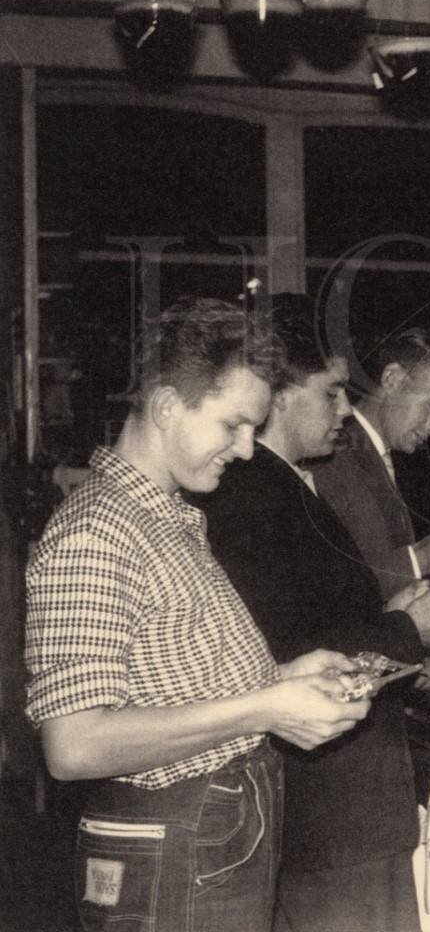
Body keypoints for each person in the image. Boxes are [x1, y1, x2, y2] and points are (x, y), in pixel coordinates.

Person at [23, 297, 371, 932]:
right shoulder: (96, 532)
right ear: (165, 407)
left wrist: (281, 678)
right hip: (171, 845)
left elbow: (169, 678)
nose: (246, 450)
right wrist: (265, 708)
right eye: (232, 425)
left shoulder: (164, 516)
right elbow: (73, 745)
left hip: (204, 838)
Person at [196, 295, 430, 932]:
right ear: (278, 395)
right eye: (330, 392)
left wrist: (395, 618)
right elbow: (290, 651)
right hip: (332, 813)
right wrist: (409, 629)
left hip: (338, 809)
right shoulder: (256, 494)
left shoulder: (285, 484)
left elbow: (321, 617)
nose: (346, 409)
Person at [313, 327, 430, 599]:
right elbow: (330, 585)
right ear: (393, 379)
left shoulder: (380, 455)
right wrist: (423, 559)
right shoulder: (331, 456)